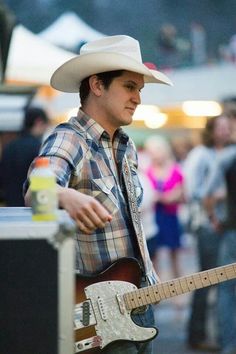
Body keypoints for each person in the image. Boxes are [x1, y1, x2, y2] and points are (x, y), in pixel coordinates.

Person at [24, 35, 173, 354]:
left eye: (139, 90)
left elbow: (132, 224)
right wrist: (65, 197)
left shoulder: (126, 146)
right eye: (130, 87)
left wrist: (151, 277)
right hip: (97, 315)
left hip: (139, 304)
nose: (137, 98)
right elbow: (35, 187)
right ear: (97, 85)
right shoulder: (70, 138)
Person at [184, 114, 231, 351]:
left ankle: (221, 335)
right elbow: (194, 191)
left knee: (225, 284)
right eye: (220, 127)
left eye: (228, 126)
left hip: (225, 226)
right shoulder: (200, 155)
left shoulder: (228, 152)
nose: (225, 131)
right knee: (206, 280)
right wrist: (220, 198)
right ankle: (197, 335)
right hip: (207, 225)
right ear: (211, 130)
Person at [203, 110, 236, 354]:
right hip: (231, 231)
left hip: (232, 231)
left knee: (226, 288)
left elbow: (206, 193)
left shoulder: (228, 156)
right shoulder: (228, 157)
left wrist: (215, 218)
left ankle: (228, 344)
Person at [144, 135, 185, 280]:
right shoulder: (147, 172)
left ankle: (179, 293)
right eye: (152, 151)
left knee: (175, 257)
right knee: (155, 258)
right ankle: (158, 290)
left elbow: (180, 196)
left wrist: (159, 197)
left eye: (156, 150)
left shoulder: (176, 170)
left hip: (171, 218)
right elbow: (148, 197)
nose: (154, 154)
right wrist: (166, 197)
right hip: (154, 219)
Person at [0, 106, 50, 206]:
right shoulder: (40, 148)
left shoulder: (9, 147)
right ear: (39, 122)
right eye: (46, 125)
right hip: (30, 208)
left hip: (9, 207)